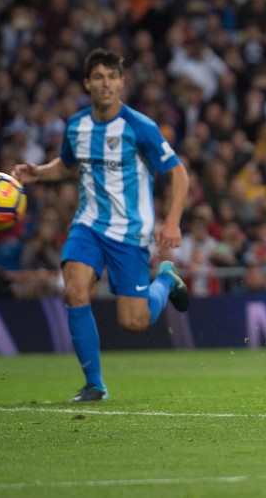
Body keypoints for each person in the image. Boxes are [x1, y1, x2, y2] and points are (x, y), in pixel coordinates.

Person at [13, 49, 191, 402]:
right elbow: (66, 165)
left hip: (130, 233)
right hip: (89, 225)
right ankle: (94, 384)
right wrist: (39, 173)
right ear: (87, 83)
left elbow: (178, 173)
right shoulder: (76, 125)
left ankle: (166, 279)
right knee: (75, 290)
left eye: (112, 76)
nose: (105, 83)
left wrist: (172, 222)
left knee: (134, 322)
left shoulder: (140, 127)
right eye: (98, 77)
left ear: (122, 82)